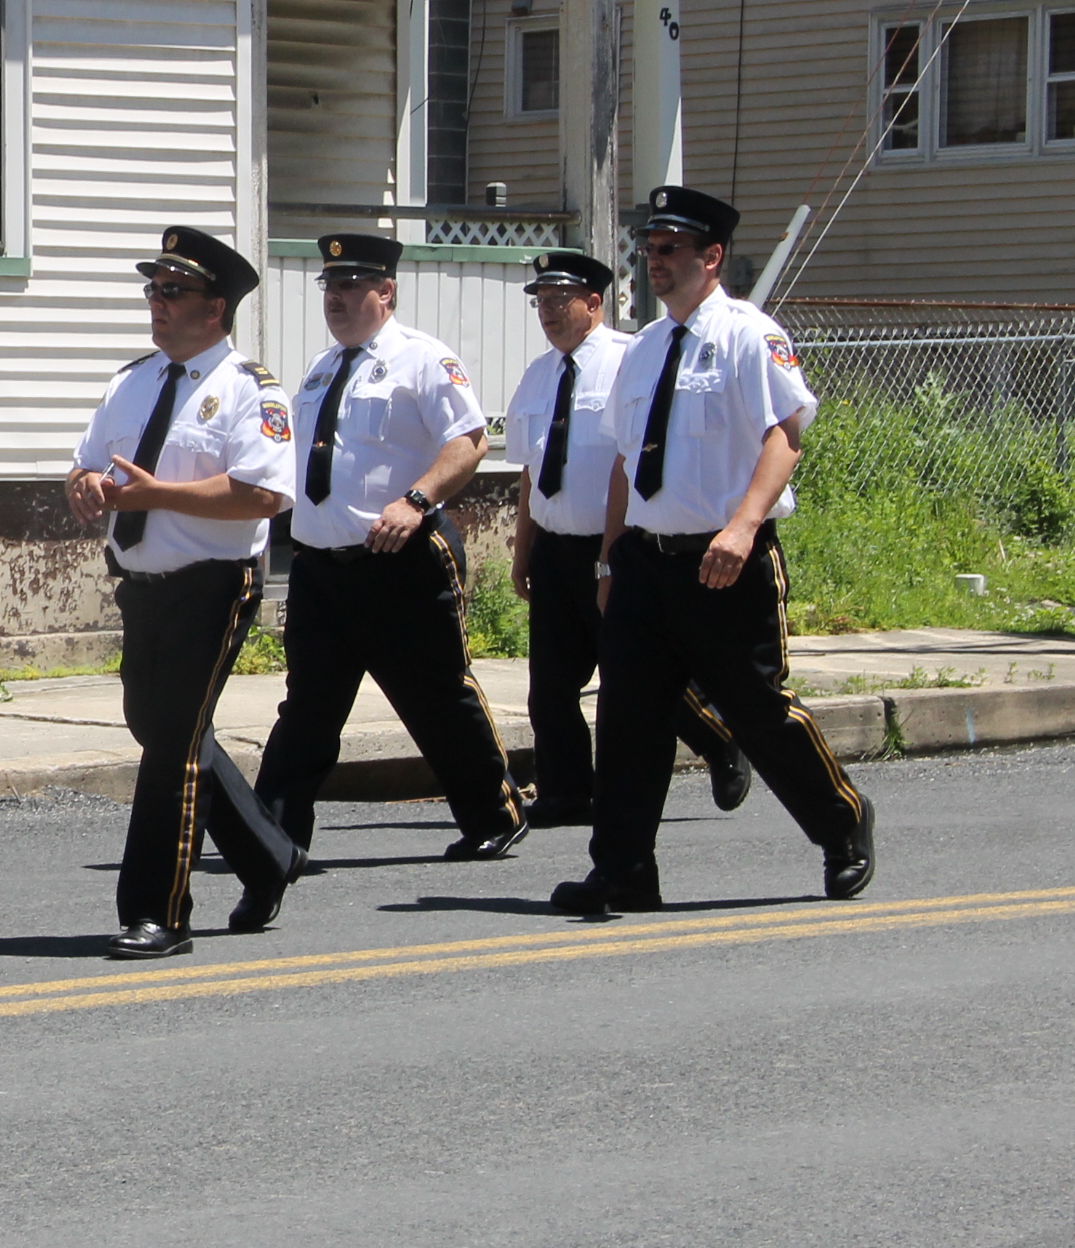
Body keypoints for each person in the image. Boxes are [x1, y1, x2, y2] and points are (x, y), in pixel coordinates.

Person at [554, 186, 876, 916]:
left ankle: (843, 824)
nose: (655, 260)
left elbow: (784, 436)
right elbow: (625, 462)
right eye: (649, 248)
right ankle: (624, 871)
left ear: (712, 256)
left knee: (758, 711)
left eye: (670, 249)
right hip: (646, 563)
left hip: (725, 560)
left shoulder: (748, 335)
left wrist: (742, 526)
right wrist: (609, 558)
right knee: (628, 718)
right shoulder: (643, 349)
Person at [252, 233, 527, 868]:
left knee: (436, 696)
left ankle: (494, 814)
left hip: (400, 560)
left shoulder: (422, 360)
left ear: (387, 291)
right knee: (309, 705)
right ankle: (272, 834)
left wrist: (417, 500)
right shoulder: (321, 369)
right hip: (321, 567)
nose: (337, 298)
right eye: (330, 286)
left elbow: (469, 441)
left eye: (352, 286)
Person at [65, 227, 303, 958]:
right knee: (162, 725)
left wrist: (156, 496)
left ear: (215, 307)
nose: (156, 303)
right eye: (152, 289)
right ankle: (268, 855)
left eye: (173, 291)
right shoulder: (131, 381)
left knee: (170, 745)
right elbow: (84, 465)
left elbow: (263, 496)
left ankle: (158, 911)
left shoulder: (250, 390)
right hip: (141, 585)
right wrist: (85, 485)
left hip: (213, 584)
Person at [501, 249, 749, 831]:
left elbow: (630, 459)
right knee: (550, 684)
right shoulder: (538, 374)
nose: (548, 312)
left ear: (594, 302)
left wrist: (612, 560)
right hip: (555, 548)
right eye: (541, 302)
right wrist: (523, 548)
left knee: (637, 673)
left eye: (560, 300)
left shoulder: (629, 360)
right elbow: (531, 469)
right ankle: (566, 792)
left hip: (614, 546)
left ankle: (720, 741)